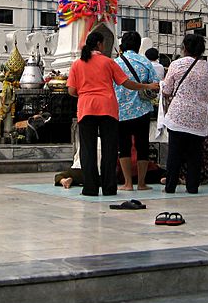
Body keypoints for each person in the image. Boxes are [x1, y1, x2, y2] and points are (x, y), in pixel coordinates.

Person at [67, 31, 159, 196]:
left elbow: (72, 90)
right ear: (100, 45)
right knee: (109, 149)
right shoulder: (108, 62)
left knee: (88, 150)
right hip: (107, 108)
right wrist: (146, 87)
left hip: (86, 108)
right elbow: (126, 83)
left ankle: (90, 188)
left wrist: (85, 94)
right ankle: (109, 187)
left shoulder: (77, 64)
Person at [160, 33, 208, 194]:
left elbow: (166, 89)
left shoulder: (176, 65)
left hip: (178, 116)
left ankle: (170, 186)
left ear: (184, 48)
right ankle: (192, 186)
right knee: (195, 155)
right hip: (199, 118)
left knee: (174, 154)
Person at [114, 31, 159, 191]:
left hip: (121, 111)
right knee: (142, 146)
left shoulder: (116, 62)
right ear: (139, 45)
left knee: (124, 146)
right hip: (142, 110)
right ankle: (141, 183)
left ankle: (127, 183)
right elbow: (155, 83)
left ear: (122, 45)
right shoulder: (145, 62)